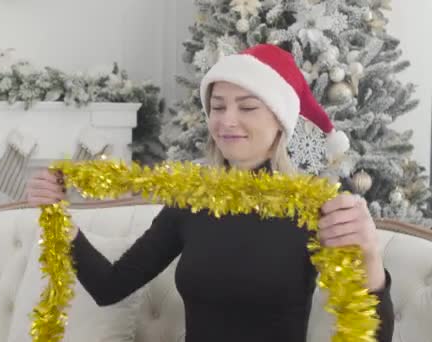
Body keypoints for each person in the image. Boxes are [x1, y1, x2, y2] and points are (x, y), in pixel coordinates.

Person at [26, 44, 394, 342]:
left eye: (247, 107)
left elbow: (370, 334)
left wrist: (372, 262)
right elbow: (110, 287)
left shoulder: (315, 208)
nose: (227, 120)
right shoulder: (190, 201)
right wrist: (63, 221)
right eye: (217, 107)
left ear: (280, 123)